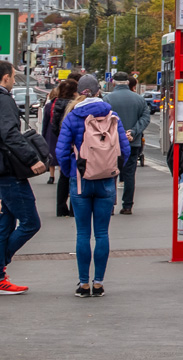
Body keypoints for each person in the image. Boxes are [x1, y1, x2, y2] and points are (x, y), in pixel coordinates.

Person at [56, 74, 130, 298]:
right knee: (102, 233)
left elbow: (61, 151)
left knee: (82, 234)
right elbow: (124, 150)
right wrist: (112, 170)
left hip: (80, 182)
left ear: (80, 91)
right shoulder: (111, 115)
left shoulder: (72, 116)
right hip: (106, 181)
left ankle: (83, 284)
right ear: (98, 91)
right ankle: (98, 283)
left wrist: (72, 172)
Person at [1, 60, 48, 295]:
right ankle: (0, 268)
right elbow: (10, 133)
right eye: (12, 76)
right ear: (6, 78)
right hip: (10, 171)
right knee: (30, 222)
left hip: (3, 171)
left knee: (6, 223)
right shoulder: (4, 100)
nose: (12, 80)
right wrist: (32, 159)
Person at [104, 71, 150, 214]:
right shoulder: (139, 99)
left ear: (113, 82)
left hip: (112, 143)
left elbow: (103, 121)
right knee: (129, 174)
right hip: (133, 142)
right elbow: (145, 118)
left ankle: (110, 205)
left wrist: (119, 134)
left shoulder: (107, 99)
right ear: (128, 83)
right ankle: (127, 205)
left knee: (111, 174)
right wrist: (133, 132)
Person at [47, 78, 80, 217]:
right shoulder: (75, 105)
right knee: (75, 176)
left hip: (62, 141)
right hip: (75, 144)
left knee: (64, 176)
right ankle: (74, 209)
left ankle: (60, 208)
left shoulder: (56, 103)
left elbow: (53, 125)